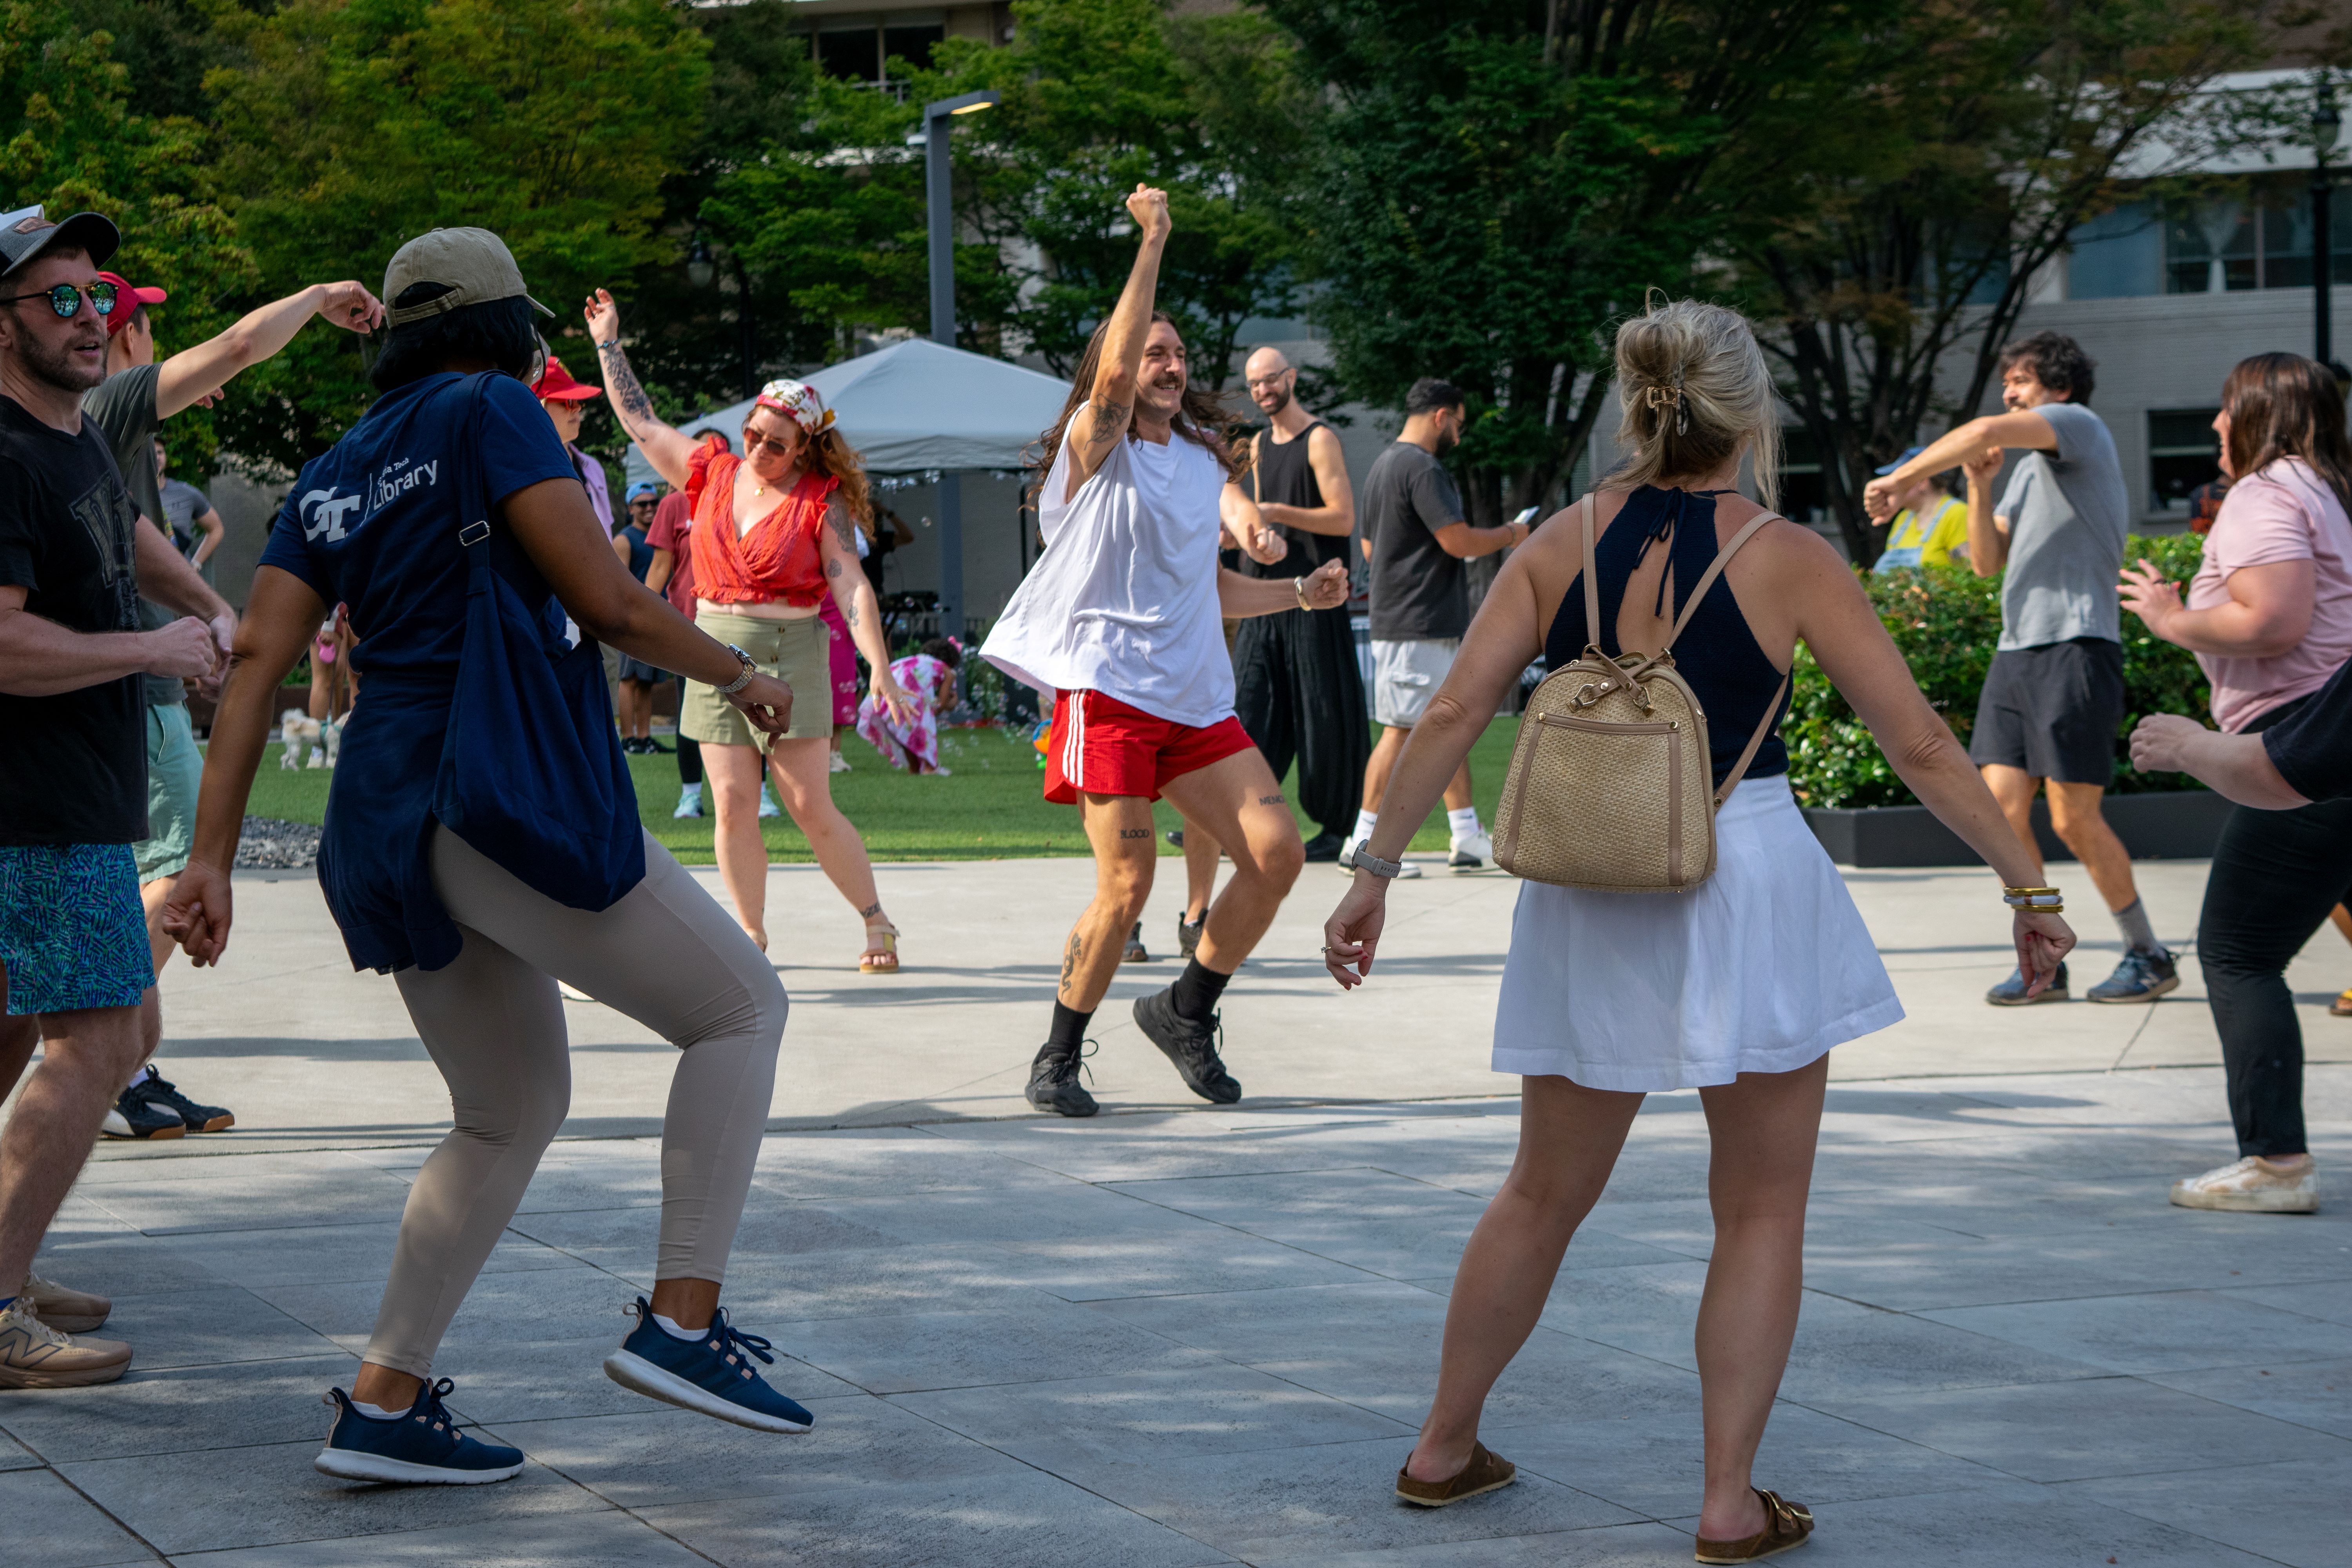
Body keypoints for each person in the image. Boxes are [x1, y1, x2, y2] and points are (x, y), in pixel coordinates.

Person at [1320, 296, 2075, 1555]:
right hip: (1747, 876)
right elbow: (1923, 746)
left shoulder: (1557, 538)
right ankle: (1726, 1503)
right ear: (1746, 410)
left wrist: (1373, 868)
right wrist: (2027, 887)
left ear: (1638, 404)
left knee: (1540, 1187)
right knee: (1761, 1209)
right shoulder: (1785, 554)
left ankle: (1441, 1446)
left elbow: (1450, 709)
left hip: (1587, 881)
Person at [162, 225, 811, 1480]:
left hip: (388, 817)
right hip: (498, 786)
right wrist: (741, 673)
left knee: (505, 1111)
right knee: (740, 1007)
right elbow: (607, 601)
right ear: (504, 327)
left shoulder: (335, 466)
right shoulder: (496, 413)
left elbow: (256, 661)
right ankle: (683, 1320)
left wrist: (211, 860)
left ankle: (385, 1402)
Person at [980, 185, 1350, 1119]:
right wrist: (1152, 242)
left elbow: (1208, 589)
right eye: (1154, 351)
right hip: (1107, 697)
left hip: (1196, 702)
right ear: (1120, 365)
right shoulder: (1094, 447)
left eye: (1180, 355)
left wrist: (1295, 592)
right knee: (1130, 882)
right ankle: (1057, 1055)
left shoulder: (1199, 462)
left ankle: (1186, 1010)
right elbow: (1111, 372)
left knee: (1275, 855)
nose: (1170, 363)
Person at [0, 206, 232, 1386]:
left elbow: (122, 529)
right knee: (103, 1036)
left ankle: (3, 1261)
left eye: (102, 297)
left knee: (16, 1037)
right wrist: (151, 654)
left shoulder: (72, 432)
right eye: (61, 300)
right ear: (4, 324)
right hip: (33, 807)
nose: (95, 319)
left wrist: (202, 602)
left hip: (69, 793)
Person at [88, 262, 385, 1139]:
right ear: (120, 338)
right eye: (141, 324)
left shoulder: (85, 425)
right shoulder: (106, 408)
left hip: (114, 682)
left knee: (117, 877)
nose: (150, 339)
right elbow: (240, 345)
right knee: (176, 865)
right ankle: (109, 1062)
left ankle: (115, 1061)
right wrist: (322, 297)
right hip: (133, 689)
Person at [585, 290, 916, 971]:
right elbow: (643, 425)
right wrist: (608, 343)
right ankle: (752, 934)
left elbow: (850, 583)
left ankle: (876, 920)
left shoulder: (820, 501)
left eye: (776, 443)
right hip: (713, 650)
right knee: (733, 803)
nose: (760, 448)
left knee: (806, 802)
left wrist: (879, 666)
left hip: (792, 649)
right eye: (754, 434)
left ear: (804, 448)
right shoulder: (712, 472)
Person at [1865, 330, 2170, 1005]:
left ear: (2057, 389)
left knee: (2072, 818)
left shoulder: (2078, 427)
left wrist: (1902, 478)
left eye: (2022, 381)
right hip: (2017, 651)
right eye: (2007, 380)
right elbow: (1985, 562)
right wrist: (1980, 487)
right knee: (2003, 814)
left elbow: (1981, 428)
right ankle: (2046, 953)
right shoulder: (2029, 470)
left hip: (2075, 646)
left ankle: (2147, 951)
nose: (2009, 390)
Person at [2116, 353, 2352, 1215]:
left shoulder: (2265, 493)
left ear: (2256, 412)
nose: (2215, 426)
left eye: (2222, 409)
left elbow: (2275, 618)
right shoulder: (2326, 489)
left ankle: (2277, 1163)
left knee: (2238, 952)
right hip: (2326, 737)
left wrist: (2171, 617)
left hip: (2301, 748)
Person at [1348, 377, 1530, 877]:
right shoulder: (1422, 468)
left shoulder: (1384, 466)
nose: (1460, 434)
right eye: (1460, 423)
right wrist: (1514, 534)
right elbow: (1458, 541)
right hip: (1417, 622)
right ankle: (1361, 840)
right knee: (1402, 732)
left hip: (1408, 619)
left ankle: (1466, 834)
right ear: (1441, 416)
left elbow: (1369, 548)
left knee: (1445, 726)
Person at [1229, 346, 1366, 862]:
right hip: (1268, 596)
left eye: (1270, 381)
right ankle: (1232, 816)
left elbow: (1343, 519)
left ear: (1291, 378)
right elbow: (1260, 520)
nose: (1263, 391)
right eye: (1254, 385)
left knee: (1322, 711)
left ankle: (1335, 827)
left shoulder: (1320, 439)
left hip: (1317, 595)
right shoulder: (1260, 443)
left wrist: (1277, 512)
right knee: (1247, 703)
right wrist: (1254, 534)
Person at [644, 481, 708, 818]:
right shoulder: (674, 504)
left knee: (746, 710)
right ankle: (691, 795)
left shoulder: (742, 495)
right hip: (688, 621)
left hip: (739, 617)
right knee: (689, 711)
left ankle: (758, 793)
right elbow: (659, 567)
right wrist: (639, 619)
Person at [611, 480, 667, 753]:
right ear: (631, 508)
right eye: (642, 504)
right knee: (629, 678)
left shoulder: (660, 537)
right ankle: (628, 738)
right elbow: (619, 582)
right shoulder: (624, 539)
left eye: (654, 503)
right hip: (634, 619)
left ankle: (645, 738)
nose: (649, 508)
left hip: (659, 616)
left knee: (647, 680)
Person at [531, 354, 612, 534]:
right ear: (537, 405)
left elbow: (607, 538)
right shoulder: (523, 469)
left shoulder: (593, 468)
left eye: (577, 400)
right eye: (568, 401)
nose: (578, 408)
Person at [857, 636, 962, 775]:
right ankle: (930, 768)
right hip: (912, 696)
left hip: (889, 692)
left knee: (905, 731)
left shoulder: (914, 660)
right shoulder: (947, 671)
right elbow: (942, 703)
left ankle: (914, 769)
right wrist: (952, 703)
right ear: (952, 661)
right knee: (924, 730)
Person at [1867, 446, 1968, 573]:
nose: (1891, 488)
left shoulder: (1957, 513)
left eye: (1899, 481)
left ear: (1922, 482)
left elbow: (1968, 576)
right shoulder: (1903, 518)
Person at [154, 437, 223, 579]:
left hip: (180, 581)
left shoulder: (186, 493)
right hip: (146, 584)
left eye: (160, 452)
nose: (157, 457)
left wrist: (196, 564)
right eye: (151, 453)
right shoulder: (131, 495)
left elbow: (216, 528)